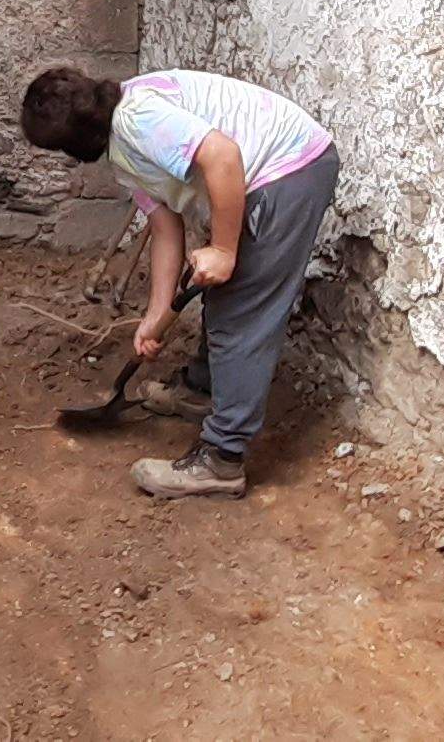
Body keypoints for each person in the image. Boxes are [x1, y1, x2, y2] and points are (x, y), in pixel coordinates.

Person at [20, 66, 338, 498]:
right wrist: (154, 317)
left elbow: (224, 157)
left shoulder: (139, 120)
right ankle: (203, 390)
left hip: (289, 170)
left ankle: (222, 460)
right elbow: (165, 227)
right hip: (272, 172)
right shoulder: (124, 147)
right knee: (222, 290)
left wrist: (224, 250)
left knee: (240, 310)